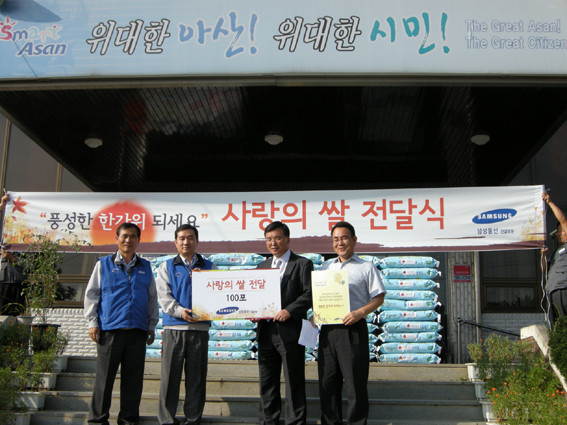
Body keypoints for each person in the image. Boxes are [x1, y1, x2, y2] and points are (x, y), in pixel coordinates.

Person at [84, 222, 159, 425]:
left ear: (138, 240)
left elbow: (152, 298)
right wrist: (93, 322)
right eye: (124, 236)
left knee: (133, 381)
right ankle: (98, 420)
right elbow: (92, 295)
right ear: (116, 238)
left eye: (133, 236)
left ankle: (128, 420)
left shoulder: (145, 267)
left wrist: (151, 325)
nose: (128, 240)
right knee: (104, 380)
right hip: (110, 331)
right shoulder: (103, 264)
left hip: (137, 331)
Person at [317, 221, 386, 425]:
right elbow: (319, 297)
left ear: (354, 240)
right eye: (335, 239)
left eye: (344, 238)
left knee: (355, 383)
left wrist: (359, 312)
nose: (340, 243)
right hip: (328, 331)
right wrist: (316, 314)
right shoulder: (325, 267)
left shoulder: (366, 267)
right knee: (328, 382)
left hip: (353, 330)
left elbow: (378, 297)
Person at [156, 224, 215, 425]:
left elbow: (216, 297)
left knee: (196, 378)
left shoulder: (209, 267)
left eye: (190, 238)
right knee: (169, 378)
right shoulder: (166, 267)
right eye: (181, 238)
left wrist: (204, 281)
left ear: (197, 241)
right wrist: (180, 311)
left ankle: (193, 418)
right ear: (175, 242)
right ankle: (167, 419)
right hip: (174, 328)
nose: (186, 242)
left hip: (199, 329)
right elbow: (164, 297)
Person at [254, 221, 313, 425]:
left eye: (277, 238)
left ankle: (295, 421)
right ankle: (268, 420)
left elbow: (309, 294)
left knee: (293, 380)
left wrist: (289, 310)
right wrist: (253, 312)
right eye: (269, 239)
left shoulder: (302, 264)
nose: (273, 243)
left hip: (291, 331)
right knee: (267, 382)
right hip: (266, 332)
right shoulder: (261, 266)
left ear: (287, 239)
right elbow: (255, 297)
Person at [542, 191, 567, 328]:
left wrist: (549, 202)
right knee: (556, 327)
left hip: (564, 288)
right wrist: (544, 256)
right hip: (552, 291)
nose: (559, 233)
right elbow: (545, 268)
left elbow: (563, 220)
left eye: (561, 230)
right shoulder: (557, 252)